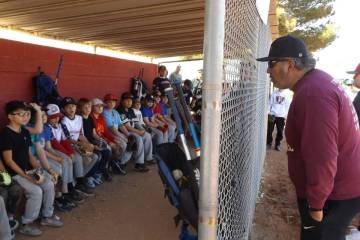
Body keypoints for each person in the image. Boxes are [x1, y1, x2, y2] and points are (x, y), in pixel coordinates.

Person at [257, 35, 360, 240]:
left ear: (290, 64)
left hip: (335, 193)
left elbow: (322, 157)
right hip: (338, 186)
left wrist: (316, 205)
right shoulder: (316, 82)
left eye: (272, 63)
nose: (268, 70)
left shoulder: (313, 93)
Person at [0, 101, 63, 237]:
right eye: (21, 114)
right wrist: (26, 176)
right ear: (10, 116)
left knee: (49, 183)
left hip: (28, 170)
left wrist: (40, 170)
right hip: (15, 173)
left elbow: (29, 154)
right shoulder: (6, 134)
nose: (25, 117)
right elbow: (9, 161)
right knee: (36, 191)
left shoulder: (24, 131)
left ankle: (47, 216)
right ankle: (26, 224)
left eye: (27, 114)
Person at [117, 92, 154, 166]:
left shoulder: (131, 110)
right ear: (122, 101)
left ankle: (148, 158)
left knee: (147, 135)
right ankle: (139, 163)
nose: (129, 102)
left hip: (133, 130)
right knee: (138, 138)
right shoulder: (120, 110)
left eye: (131, 100)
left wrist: (143, 129)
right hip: (125, 132)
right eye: (127, 100)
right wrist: (138, 132)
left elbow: (136, 123)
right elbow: (127, 126)